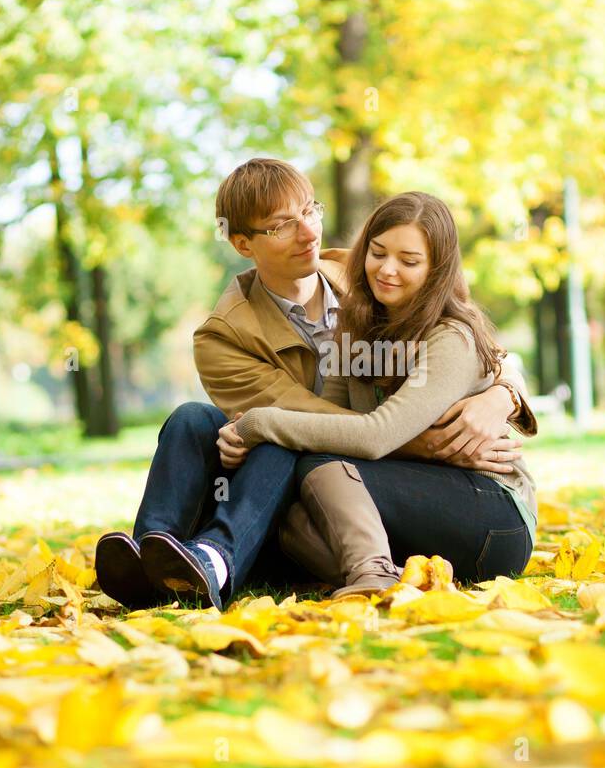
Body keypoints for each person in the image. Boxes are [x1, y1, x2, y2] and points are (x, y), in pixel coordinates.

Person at [95, 159, 537, 610]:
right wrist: (420, 443)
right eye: (282, 226)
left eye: (310, 211)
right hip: (317, 469)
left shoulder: (362, 276)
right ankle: (151, 553)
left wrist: (504, 396)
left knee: (292, 444)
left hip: (381, 477)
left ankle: (217, 558)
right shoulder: (224, 337)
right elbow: (309, 418)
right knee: (196, 421)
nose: (308, 233)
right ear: (242, 242)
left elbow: (476, 344)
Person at [218, 191, 537, 598]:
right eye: (378, 252)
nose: (387, 270)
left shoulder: (452, 337)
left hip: (494, 516)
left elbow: (374, 435)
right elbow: (331, 417)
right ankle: (391, 576)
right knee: (292, 513)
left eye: (409, 261)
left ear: (436, 270)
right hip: (413, 505)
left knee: (323, 462)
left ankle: (373, 575)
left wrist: (260, 423)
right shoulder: (353, 330)